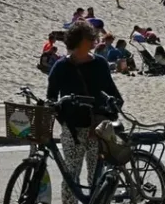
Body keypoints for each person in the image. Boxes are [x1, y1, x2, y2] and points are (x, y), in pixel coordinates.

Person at [47, 21, 123, 204]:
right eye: (90, 38)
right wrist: (65, 122)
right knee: (71, 178)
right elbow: (51, 99)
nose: (94, 41)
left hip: (98, 130)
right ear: (79, 41)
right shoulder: (61, 67)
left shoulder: (100, 64)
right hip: (73, 130)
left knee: (97, 178)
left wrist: (103, 118)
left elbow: (115, 96)